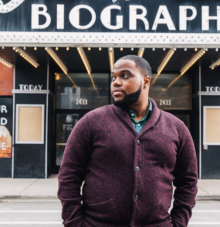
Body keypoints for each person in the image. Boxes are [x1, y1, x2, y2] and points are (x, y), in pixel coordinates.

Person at [58, 55, 198, 227]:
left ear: (146, 81)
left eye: (125, 75)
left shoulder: (177, 128)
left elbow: (188, 181)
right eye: (113, 77)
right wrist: (74, 223)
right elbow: (68, 176)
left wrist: (179, 223)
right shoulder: (91, 122)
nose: (116, 82)